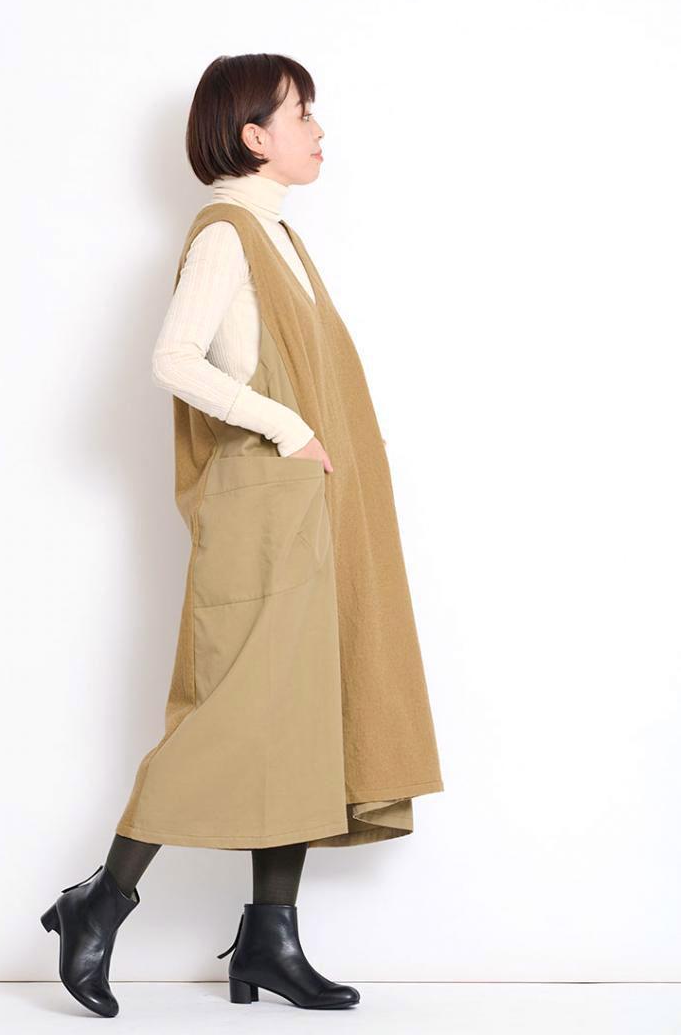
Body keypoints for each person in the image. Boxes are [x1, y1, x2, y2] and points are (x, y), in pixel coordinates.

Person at [40, 53, 444, 1018]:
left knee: (299, 717)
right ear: (254, 135)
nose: (318, 130)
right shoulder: (227, 232)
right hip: (263, 514)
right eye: (301, 114)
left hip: (306, 510)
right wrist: (288, 426)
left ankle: (270, 938)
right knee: (229, 715)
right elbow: (174, 358)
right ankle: (101, 900)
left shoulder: (282, 236)